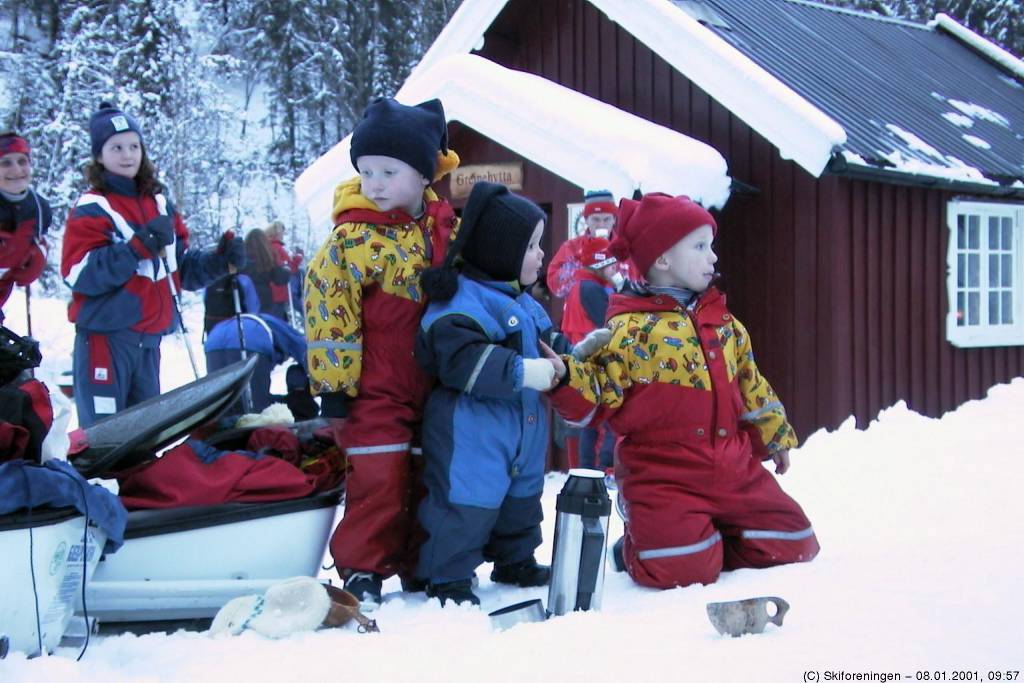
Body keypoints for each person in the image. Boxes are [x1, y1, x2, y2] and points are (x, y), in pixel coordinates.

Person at [550, 193, 819, 590]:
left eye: (711, 246)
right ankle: (643, 545)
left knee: (795, 544)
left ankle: (703, 539)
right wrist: (566, 378)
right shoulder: (630, 331)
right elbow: (599, 395)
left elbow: (751, 383)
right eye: (700, 246)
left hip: (732, 468)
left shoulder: (724, 323)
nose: (713, 256)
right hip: (664, 476)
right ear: (662, 259)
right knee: (681, 573)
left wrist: (774, 436)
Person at [304, 97, 459, 605]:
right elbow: (330, 313)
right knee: (378, 475)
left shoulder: (445, 230)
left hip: (434, 381)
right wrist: (335, 389)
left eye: (389, 172)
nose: (374, 184)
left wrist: (453, 281)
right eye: (366, 172)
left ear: (423, 175)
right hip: (374, 386)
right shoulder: (351, 239)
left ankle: (422, 564)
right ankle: (362, 570)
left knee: (429, 474)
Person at [414, 181, 576, 607]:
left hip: (521, 427)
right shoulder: (461, 301)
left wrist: (573, 354)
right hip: (472, 431)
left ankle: (515, 558)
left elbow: (547, 341)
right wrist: (524, 371)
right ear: (500, 251)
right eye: (532, 247)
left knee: (522, 499)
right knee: (467, 502)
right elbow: (461, 358)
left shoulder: (522, 301)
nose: (541, 255)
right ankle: (447, 575)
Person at [61, 102, 245, 427]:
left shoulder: (159, 203)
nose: (127, 155)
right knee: (104, 436)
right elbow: (79, 273)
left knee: (143, 436)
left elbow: (180, 270)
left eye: (134, 146)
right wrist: (135, 248)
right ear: (99, 156)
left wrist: (221, 262)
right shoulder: (93, 207)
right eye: (116, 147)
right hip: (106, 339)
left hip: (149, 342)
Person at [203, 272, 308, 415]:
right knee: (256, 409)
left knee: (224, 404)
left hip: (213, 341)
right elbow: (303, 350)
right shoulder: (271, 323)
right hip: (249, 341)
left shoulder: (236, 321)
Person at [562, 237, 620, 472]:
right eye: (611, 263)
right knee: (608, 417)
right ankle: (604, 467)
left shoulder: (579, 286)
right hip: (596, 360)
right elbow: (611, 326)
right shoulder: (592, 289)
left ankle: (587, 469)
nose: (615, 268)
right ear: (599, 264)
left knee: (591, 420)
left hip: (582, 360)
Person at [0, 132, 51, 323]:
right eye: (6, 163)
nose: (16, 169)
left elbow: (38, 242)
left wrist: (39, 255)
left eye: (22, 161)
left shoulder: (39, 209)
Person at [241, 228, 292, 321]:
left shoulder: (242, 259)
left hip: (244, 297)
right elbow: (280, 278)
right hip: (264, 299)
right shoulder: (267, 258)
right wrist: (287, 270)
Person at [264, 220, 302, 322]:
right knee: (278, 320)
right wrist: (298, 258)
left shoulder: (266, 247)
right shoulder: (278, 248)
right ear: (278, 233)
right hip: (279, 291)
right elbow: (290, 268)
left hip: (268, 291)